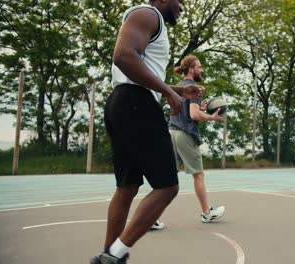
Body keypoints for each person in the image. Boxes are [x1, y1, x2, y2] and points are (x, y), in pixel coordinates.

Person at [91, 1, 204, 263]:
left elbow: (141, 71)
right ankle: (116, 253)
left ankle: (109, 255)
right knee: (167, 187)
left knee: (127, 187)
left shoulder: (152, 21)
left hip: (124, 102)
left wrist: (175, 89)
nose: (182, 7)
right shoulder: (148, 14)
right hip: (136, 104)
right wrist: (165, 91)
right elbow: (123, 56)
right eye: (180, 1)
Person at [168, 54, 226, 223]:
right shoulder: (195, 88)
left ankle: (151, 217)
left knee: (168, 179)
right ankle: (207, 212)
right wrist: (211, 117)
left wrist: (200, 109)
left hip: (171, 132)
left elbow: (185, 110)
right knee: (198, 175)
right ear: (191, 69)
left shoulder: (177, 86)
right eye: (199, 67)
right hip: (185, 135)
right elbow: (193, 115)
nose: (202, 69)